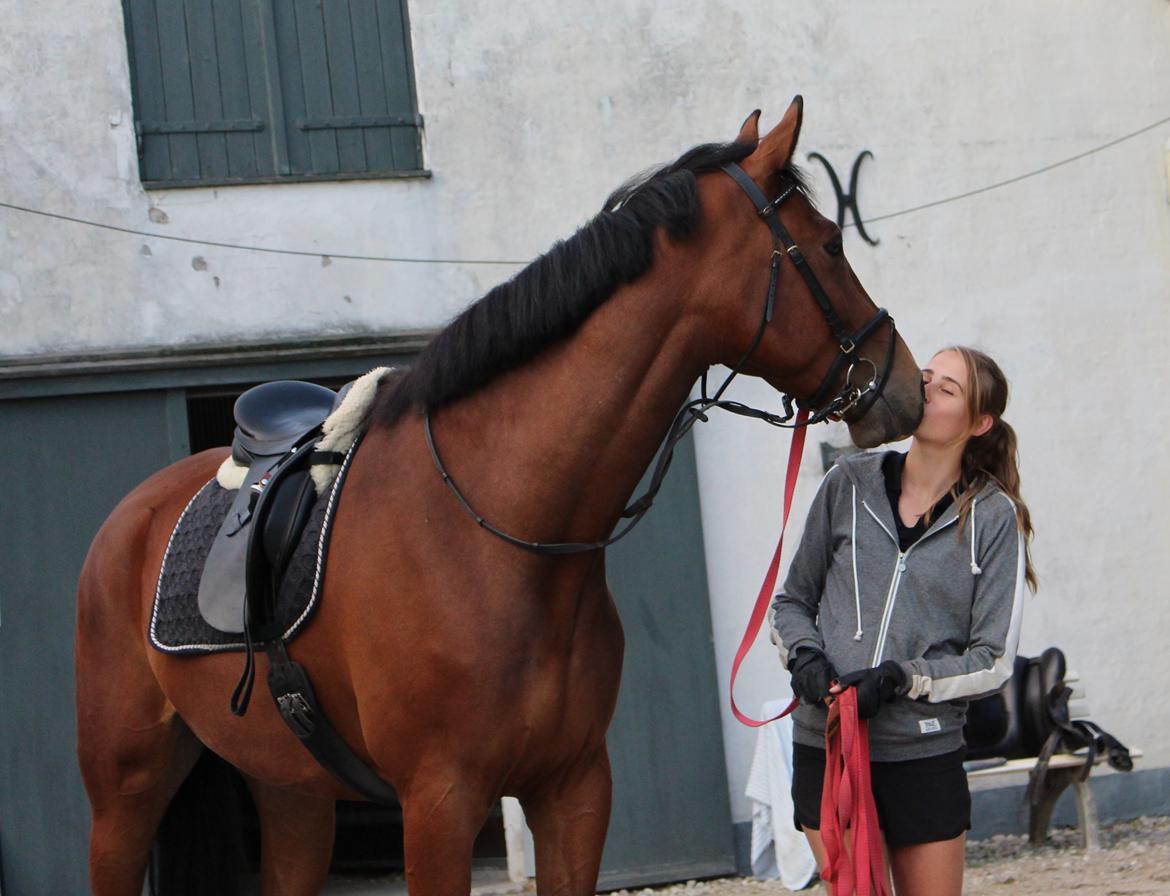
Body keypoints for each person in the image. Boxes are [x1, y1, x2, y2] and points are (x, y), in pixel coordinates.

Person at [771, 346, 1035, 896]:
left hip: (922, 752)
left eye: (948, 390)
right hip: (829, 747)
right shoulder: (847, 483)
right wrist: (805, 658)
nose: (927, 392)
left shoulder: (992, 518)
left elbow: (993, 660)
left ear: (979, 422)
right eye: (926, 379)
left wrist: (902, 677)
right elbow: (791, 601)